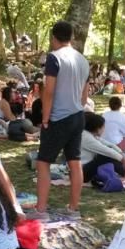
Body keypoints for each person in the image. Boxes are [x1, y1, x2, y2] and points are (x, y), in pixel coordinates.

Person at [33, 20, 90, 221]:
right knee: (75, 162)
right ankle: (73, 209)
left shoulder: (54, 58)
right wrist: (79, 106)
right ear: (72, 37)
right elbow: (85, 93)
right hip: (78, 115)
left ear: (53, 37)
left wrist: (46, 118)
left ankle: (41, 211)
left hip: (58, 117)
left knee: (43, 163)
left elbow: (49, 91)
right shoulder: (83, 60)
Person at [80, 112, 125, 184]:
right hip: (80, 173)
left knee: (110, 155)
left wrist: (121, 153)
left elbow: (110, 145)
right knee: (105, 156)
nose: (104, 129)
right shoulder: (86, 137)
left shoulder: (90, 135)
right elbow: (106, 151)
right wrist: (123, 159)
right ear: (98, 128)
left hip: (84, 170)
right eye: (103, 127)